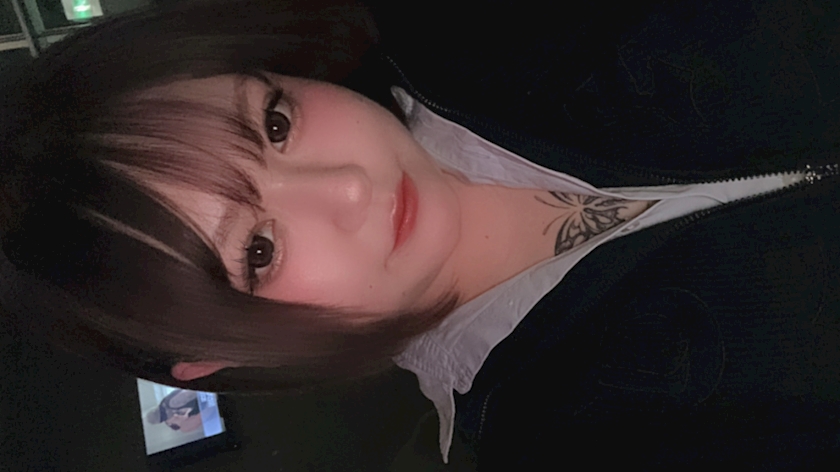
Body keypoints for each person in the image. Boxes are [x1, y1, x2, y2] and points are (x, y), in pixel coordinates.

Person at [2, 0, 840, 468]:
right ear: (220, 354)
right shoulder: (562, 441)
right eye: (258, 250)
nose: (348, 187)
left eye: (276, 121)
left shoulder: (470, 25)